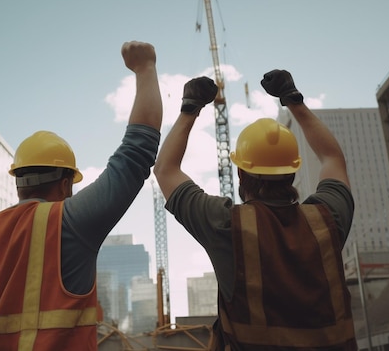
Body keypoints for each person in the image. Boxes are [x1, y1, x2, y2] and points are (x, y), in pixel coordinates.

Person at [0, 40, 163, 351]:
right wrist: (145, 67)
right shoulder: (71, 222)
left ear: (18, 183)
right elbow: (136, 154)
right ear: (65, 184)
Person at [153, 70, 357, 350]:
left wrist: (191, 107)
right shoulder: (328, 219)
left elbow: (165, 170)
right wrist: (293, 101)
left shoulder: (226, 225)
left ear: (240, 173)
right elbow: (332, 157)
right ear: (293, 171)